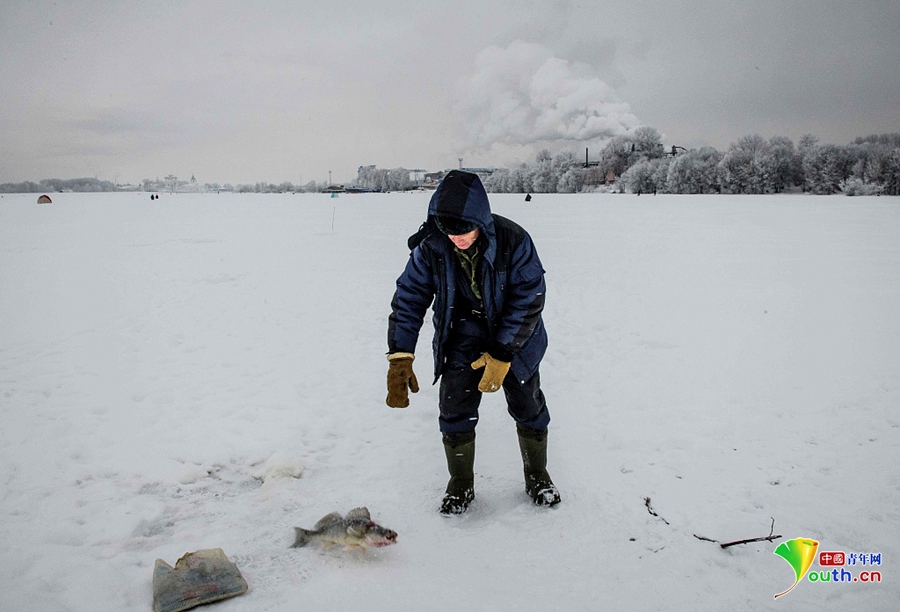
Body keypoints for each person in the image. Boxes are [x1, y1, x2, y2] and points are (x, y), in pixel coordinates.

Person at [385, 170, 560, 514]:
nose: (457, 238)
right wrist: (400, 355)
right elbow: (409, 297)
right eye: (449, 230)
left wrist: (502, 351)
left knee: (529, 407)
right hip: (461, 334)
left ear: (479, 219)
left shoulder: (513, 240)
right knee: (454, 410)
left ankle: (538, 474)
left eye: (464, 229)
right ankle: (461, 483)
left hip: (515, 338)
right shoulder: (431, 246)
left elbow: (530, 296)